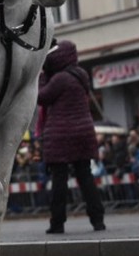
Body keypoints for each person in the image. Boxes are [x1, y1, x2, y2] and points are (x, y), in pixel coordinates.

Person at [36, 40, 105, 234]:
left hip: (61, 135)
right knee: (86, 178)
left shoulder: (59, 79)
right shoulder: (81, 75)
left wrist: (42, 77)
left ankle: (57, 222)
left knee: (59, 181)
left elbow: (42, 96)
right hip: (84, 132)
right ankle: (97, 220)